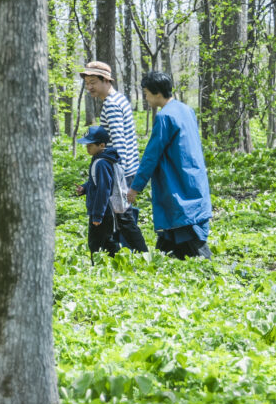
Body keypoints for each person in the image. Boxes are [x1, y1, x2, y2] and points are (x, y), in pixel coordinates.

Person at [127, 70, 213, 259]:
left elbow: (151, 156)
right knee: (173, 239)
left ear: (157, 93)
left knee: (192, 241)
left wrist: (135, 187)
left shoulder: (164, 117)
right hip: (193, 180)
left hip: (178, 187)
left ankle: (209, 271)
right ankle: (160, 263)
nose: (146, 98)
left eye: (146, 93)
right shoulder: (186, 110)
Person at [78, 60, 145, 248]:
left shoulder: (111, 105)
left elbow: (119, 142)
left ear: (106, 80)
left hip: (121, 171)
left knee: (122, 219)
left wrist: (116, 177)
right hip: (127, 169)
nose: (89, 87)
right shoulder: (119, 99)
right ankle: (124, 254)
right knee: (121, 218)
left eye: (93, 82)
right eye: (87, 83)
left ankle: (142, 255)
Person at [74, 124, 148, 256]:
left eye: (90, 145)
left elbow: (103, 189)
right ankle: (119, 259)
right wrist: (85, 188)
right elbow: (96, 182)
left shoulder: (102, 163)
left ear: (102, 145)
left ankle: (101, 264)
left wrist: (98, 215)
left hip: (103, 211)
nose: (87, 148)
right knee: (107, 241)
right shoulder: (101, 159)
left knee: (96, 243)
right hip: (106, 210)